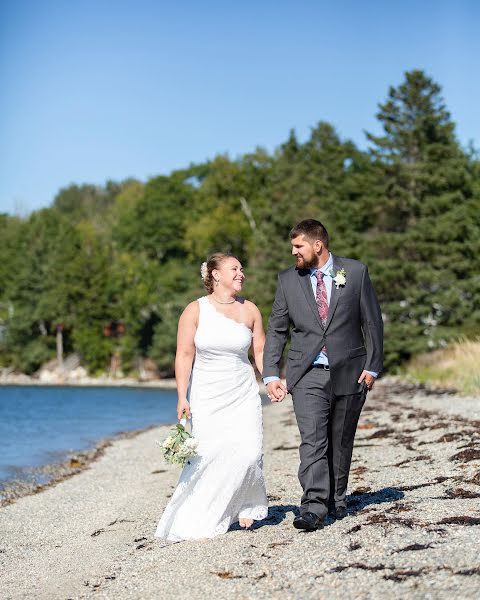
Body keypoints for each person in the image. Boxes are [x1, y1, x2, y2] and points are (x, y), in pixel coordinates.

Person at [263, 219, 383, 531]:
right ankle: (313, 507)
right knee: (313, 441)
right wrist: (270, 373)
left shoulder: (355, 272)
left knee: (341, 440)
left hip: (351, 371)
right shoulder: (288, 280)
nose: (293, 252)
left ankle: (336, 499)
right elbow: (277, 329)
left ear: (318, 245)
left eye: (298, 245)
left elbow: (372, 322)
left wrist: (372, 366)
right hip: (306, 374)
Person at [155, 253, 268, 542]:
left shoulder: (251, 310)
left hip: (243, 392)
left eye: (242, 269)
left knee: (249, 451)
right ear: (216, 275)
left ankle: (247, 503)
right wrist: (182, 395)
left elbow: (261, 354)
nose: (241, 273)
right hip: (208, 393)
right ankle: (203, 517)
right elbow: (184, 355)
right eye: (234, 269)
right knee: (208, 456)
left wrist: (272, 381)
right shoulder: (195, 310)